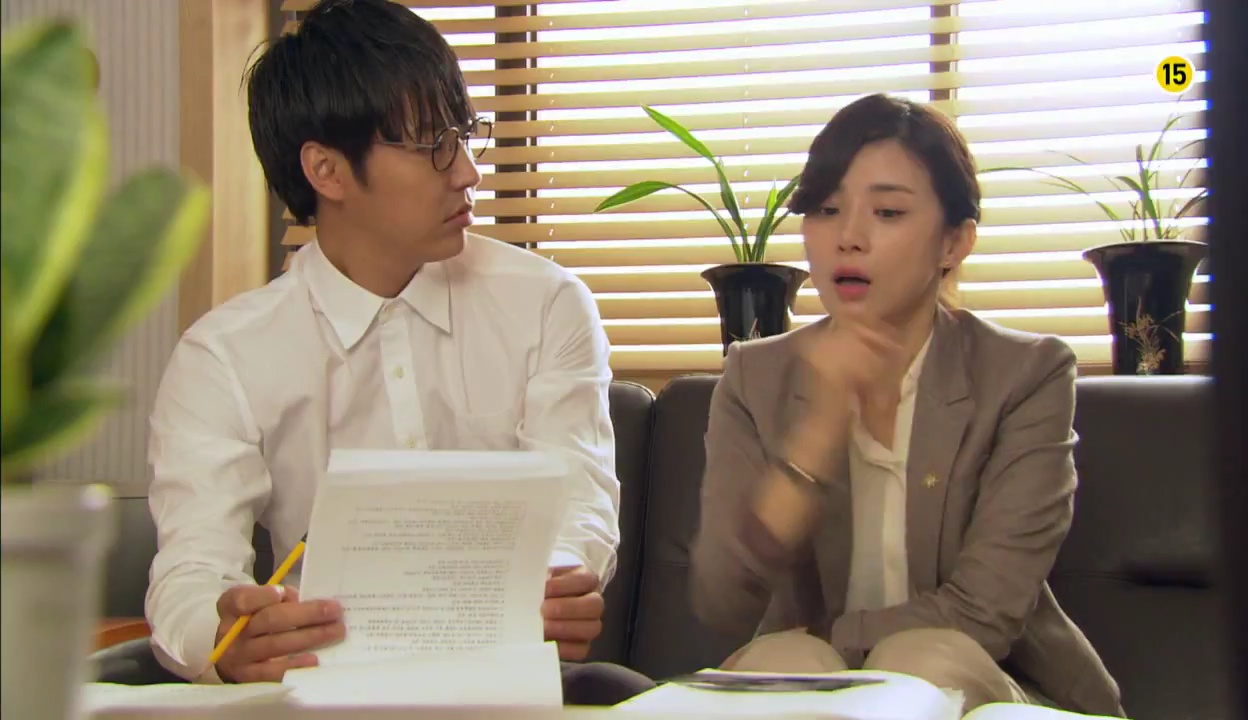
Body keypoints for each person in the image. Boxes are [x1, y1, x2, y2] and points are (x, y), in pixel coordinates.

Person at [144, 0, 653, 705]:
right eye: (433, 145)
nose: (468, 172)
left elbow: (579, 500)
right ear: (327, 170)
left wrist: (558, 579)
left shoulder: (547, 303)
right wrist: (228, 639)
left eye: (465, 136)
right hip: (323, 692)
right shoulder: (223, 357)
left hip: (513, 683)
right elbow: (190, 573)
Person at [688, 93, 1124, 716]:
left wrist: (832, 644)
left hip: (991, 682)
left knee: (918, 658)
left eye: (888, 212)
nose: (848, 238)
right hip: (811, 681)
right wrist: (816, 431)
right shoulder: (754, 376)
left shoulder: (1025, 374)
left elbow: (984, 613)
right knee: (783, 666)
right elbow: (723, 601)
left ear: (954, 242)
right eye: (826, 210)